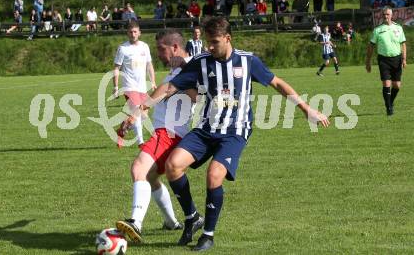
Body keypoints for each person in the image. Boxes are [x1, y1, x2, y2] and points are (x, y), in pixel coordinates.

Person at [121, 17, 330, 251]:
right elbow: (170, 87)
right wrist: (140, 110)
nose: (209, 47)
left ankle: (207, 235)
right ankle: (192, 216)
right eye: (208, 42)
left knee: (214, 175)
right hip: (206, 129)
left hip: (235, 131)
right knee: (173, 165)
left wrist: (306, 109)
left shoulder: (248, 61)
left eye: (215, 42)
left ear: (228, 39)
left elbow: (277, 83)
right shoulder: (202, 62)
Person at [115, 29, 197, 243]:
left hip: (169, 133)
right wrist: (136, 115)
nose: (158, 54)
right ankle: (171, 221)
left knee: (138, 169)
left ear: (175, 47)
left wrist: (137, 112)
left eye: (161, 49)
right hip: (167, 132)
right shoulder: (177, 69)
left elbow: (189, 94)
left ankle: (136, 222)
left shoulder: (188, 69)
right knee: (151, 176)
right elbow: (161, 94)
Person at [113, 20, 156, 145]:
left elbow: (149, 65)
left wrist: (152, 81)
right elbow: (116, 68)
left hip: (142, 87)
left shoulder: (144, 46)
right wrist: (115, 87)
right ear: (127, 33)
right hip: (129, 86)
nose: (133, 34)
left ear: (139, 33)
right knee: (137, 111)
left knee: (143, 116)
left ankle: (123, 128)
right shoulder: (123, 48)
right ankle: (141, 142)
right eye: (131, 32)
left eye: (135, 32)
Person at [365, 7, 407, 116]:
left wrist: (404, 59)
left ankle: (390, 102)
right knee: (386, 84)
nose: (386, 16)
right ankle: (389, 108)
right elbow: (371, 46)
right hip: (383, 60)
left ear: (392, 15)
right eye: (384, 14)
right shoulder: (378, 29)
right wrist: (368, 61)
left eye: (388, 14)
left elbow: (403, 44)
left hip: (397, 59)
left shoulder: (398, 28)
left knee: (397, 85)